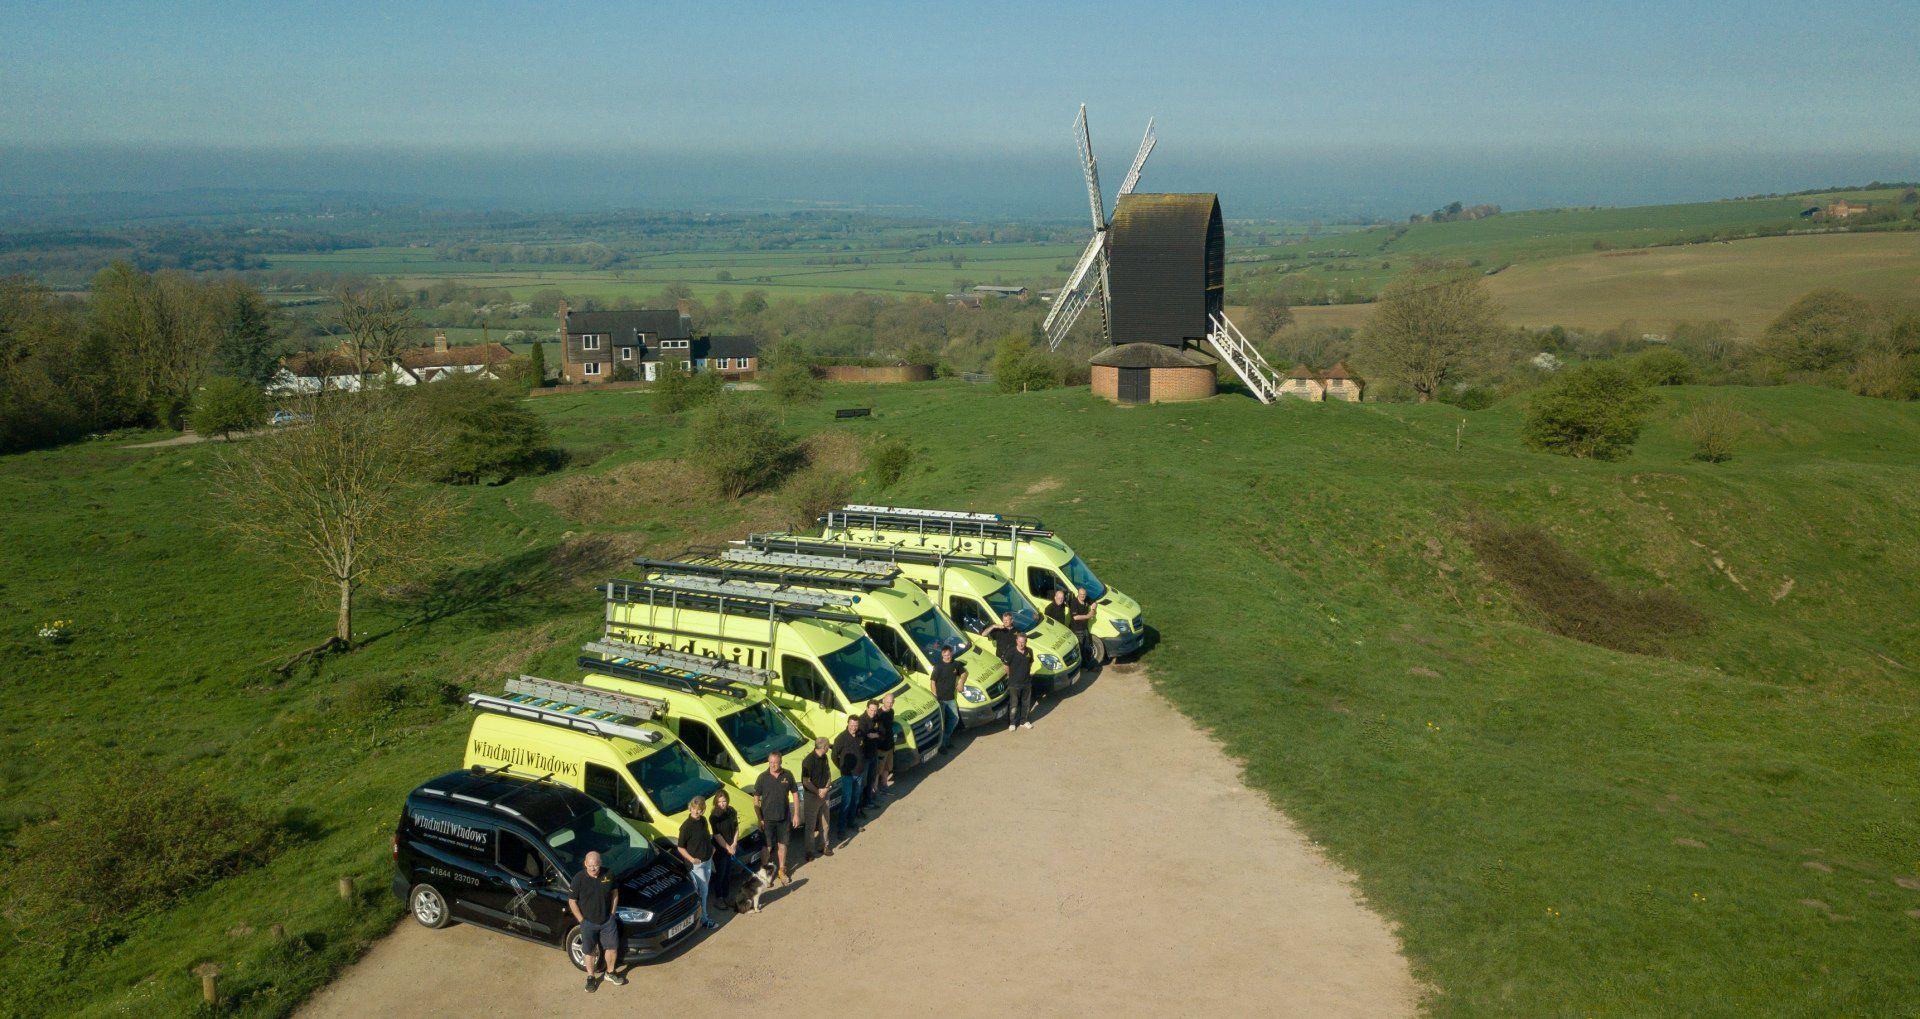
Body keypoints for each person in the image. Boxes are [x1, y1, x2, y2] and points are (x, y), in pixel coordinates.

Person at [567, 850, 624, 992]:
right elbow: (572, 901)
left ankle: (610, 973)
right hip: (588, 923)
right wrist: (581, 920)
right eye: (590, 865)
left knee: (612, 948)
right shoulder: (578, 879)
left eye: (596, 865)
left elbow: (615, 893)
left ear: (600, 864)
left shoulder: (608, 874)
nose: (593, 868)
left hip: (607, 921)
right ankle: (591, 977)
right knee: (589, 951)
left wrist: (612, 913)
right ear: (585, 864)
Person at [752, 751, 800, 886]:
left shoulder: (788, 775)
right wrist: (759, 818)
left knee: (782, 844)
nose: (773, 765)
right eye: (771, 762)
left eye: (775, 763)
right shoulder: (762, 777)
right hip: (767, 820)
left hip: (784, 818)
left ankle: (781, 871)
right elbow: (756, 798)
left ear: (781, 762)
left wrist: (796, 814)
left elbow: (795, 794)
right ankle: (764, 874)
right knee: (766, 847)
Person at [675, 795, 718, 930]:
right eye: (694, 809)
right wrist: (692, 859)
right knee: (703, 891)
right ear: (690, 808)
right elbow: (680, 847)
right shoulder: (686, 827)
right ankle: (704, 919)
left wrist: (712, 849)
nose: (697, 812)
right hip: (696, 865)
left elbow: (705, 837)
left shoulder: (703, 820)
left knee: (704, 890)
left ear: (703, 810)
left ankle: (700, 917)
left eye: (700, 809)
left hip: (707, 860)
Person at [800, 736, 834, 859]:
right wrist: (818, 792)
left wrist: (826, 788)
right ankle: (809, 851)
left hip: (824, 793)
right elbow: (806, 781)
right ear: (824, 747)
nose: (828, 748)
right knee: (810, 825)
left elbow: (828, 774)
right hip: (812, 796)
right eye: (828, 746)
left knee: (825, 822)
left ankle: (823, 845)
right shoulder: (808, 761)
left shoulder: (824, 758)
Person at [831, 715, 865, 837]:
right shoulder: (841, 738)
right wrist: (842, 768)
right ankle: (841, 828)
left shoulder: (860, 734)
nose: (854, 728)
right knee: (846, 801)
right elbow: (834, 756)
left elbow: (863, 749)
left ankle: (851, 822)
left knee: (855, 800)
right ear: (847, 724)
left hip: (859, 774)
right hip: (847, 775)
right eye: (852, 725)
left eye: (856, 725)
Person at [708, 789, 739, 910]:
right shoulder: (714, 816)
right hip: (720, 850)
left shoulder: (732, 811)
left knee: (727, 873)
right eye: (720, 801)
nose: (722, 803)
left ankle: (726, 896)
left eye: (724, 801)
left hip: (731, 847)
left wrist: (735, 843)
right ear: (716, 802)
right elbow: (717, 835)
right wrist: (728, 848)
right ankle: (719, 898)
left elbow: (736, 827)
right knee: (720, 874)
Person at [930, 644, 966, 743]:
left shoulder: (956, 664)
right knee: (942, 723)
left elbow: (964, 673)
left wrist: (961, 682)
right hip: (941, 699)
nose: (947, 657)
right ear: (942, 655)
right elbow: (932, 681)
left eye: (949, 655)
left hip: (951, 698)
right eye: (945, 655)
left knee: (955, 719)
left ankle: (945, 740)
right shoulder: (938, 666)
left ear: (952, 654)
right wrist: (935, 695)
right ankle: (941, 744)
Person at [858, 699, 889, 810]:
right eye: (871, 710)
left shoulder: (877, 719)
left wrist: (875, 735)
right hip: (865, 756)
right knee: (863, 781)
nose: (873, 712)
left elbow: (883, 734)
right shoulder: (861, 721)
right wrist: (873, 735)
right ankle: (860, 804)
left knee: (871, 778)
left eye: (875, 710)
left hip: (873, 754)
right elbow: (862, 738)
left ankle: (868, 800)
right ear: (867, 708)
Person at [1005, 632, 1036, 731]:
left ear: (1026, 642)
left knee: (1026, 704)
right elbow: (1006, 667)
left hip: (1026, 683)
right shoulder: (1011, 652)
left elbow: (1030, 663)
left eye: (1023, 642)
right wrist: (1011, 676)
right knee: (1014, 704)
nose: (1021, 644)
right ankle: (1012, 723)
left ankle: (1024, 721)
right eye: (1020, 642)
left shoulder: (1029, 651)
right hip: (1014, 684)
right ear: (1016, 641)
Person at [874, 691, 899, 792]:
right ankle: (874, 790)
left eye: (891, 702)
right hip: (881, 747)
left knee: (887, 767)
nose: (890, 704)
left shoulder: (891, 712)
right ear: (883, 701)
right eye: (888, 702)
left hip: (890, 746)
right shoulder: (878, 714)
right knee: (877, 771)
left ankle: (884, 785)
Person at [1072, 585, 1096, 661]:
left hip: (1085, 628)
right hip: (1077, 629)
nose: (1083, 596)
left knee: (1087, 647)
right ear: (1078, 594)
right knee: (1081, 648)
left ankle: (1087, 665)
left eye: (1084, 594)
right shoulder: (1074, 603)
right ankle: (1082, 666)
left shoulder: (1086, 599)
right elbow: (1075, 617)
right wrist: (1088, 616)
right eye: (1081, 594)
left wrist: (1092, 610)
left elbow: (1094, 603)